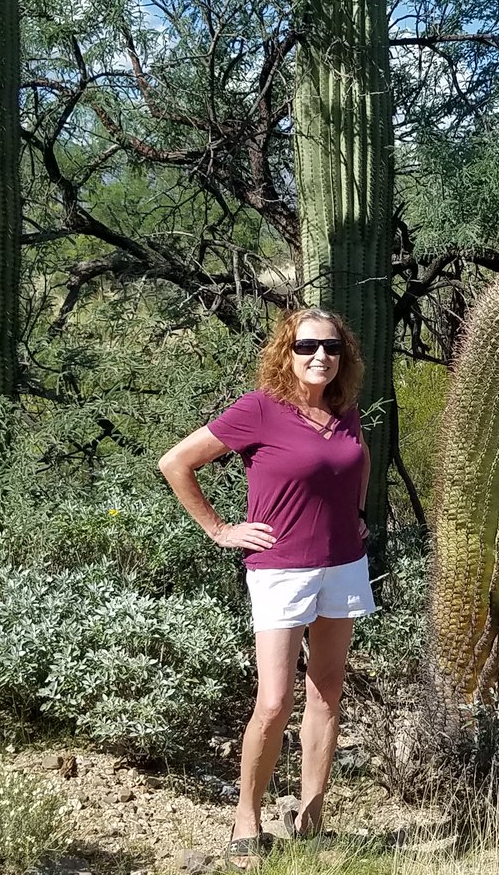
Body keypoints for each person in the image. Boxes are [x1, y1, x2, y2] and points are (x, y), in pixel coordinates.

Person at [158, 307, 376, 872]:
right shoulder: (260, 409)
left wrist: (356, 513)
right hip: (281, 569)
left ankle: (312, 817)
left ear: (343, 355)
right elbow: (176, 462)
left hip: (343, 565)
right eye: (306, 347)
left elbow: (359, 461)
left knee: (328, 691)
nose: (319, 357)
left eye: (330, 347)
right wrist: (220, 529)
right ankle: (246, 818)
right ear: (287, 351)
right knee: (275, 700)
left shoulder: (344, 411)